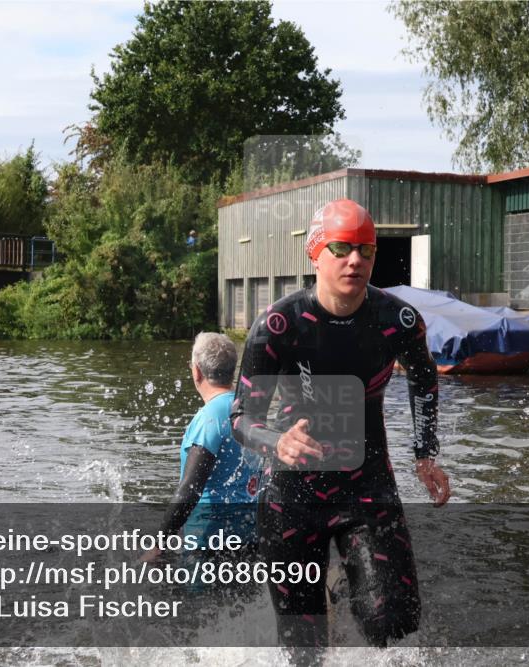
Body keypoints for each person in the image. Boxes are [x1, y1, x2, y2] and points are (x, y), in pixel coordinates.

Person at [230, 198, 450, 655]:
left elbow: (425, 378)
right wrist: (276, 441)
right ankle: (332, 586)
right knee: (305, 652)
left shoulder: (397, 320)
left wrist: (425, 454)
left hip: (366, 485)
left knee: (394, 625)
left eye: (366, 250)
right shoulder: (279, 325)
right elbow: (240, 418)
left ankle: (344, 584)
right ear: (316, 251)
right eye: (342, 248)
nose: (355, 260)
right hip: (291, 497)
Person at [146, 332, 261, 562]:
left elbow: (190, 488)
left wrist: (158, 545)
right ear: (232, 371)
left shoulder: (209, 418)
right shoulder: (251, 411)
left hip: (208, 541)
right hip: (252, 537)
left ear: (196, 371)